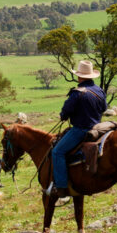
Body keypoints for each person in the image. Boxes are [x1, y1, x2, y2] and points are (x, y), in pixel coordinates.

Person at [48, 60, 107, 198]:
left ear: (80, 77)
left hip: (81, 130)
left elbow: (66, 111)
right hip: (98, 127)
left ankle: (61, 188)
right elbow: (104, 108)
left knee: (57, 152)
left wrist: (64, 116)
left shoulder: (77, 93)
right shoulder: (99, 91)